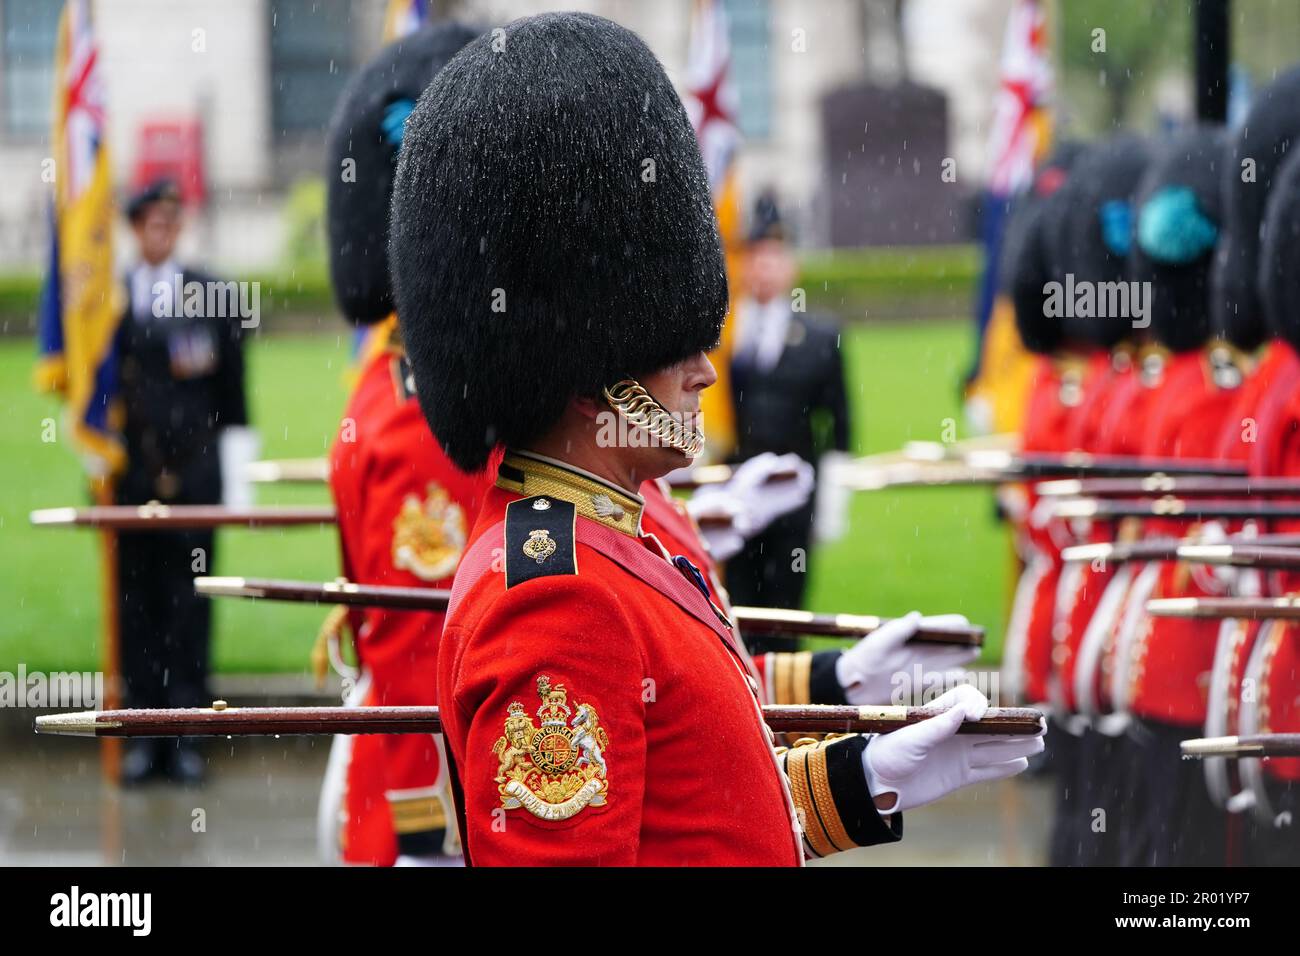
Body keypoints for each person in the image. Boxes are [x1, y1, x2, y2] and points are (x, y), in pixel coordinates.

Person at [390, 11, 1041, 865]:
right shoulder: (555, 602)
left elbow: (699, 799)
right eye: (672, 346)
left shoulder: (602, 540)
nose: (704, 369)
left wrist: (870, 771)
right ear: (592, 374)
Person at [316, 21, 483, 866]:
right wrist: (432, 839)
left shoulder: (403, 383)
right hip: (433, 823)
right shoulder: (421, 419)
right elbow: (418, 650)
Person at [113, 179, 252, 785]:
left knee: (189, 607)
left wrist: (238, 486)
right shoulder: (109, 303)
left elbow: (234, 399)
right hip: (133, 482)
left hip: (196, 482)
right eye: (149, 222)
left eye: (169, 221)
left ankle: (189, 735)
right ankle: (143, 739)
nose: (160, 232)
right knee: (137, 610)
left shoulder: (212, 294)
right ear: (135, 228)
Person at [724, 194, 851, 624]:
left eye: (774, 256)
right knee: (733, 610)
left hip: (792, 496)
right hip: (731, 493)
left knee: (787, 613)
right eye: (754, 256)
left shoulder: (819, 337)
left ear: (791, 265)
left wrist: (832, 500)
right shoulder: (720, 335)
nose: (763, 267)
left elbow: (840, 422)